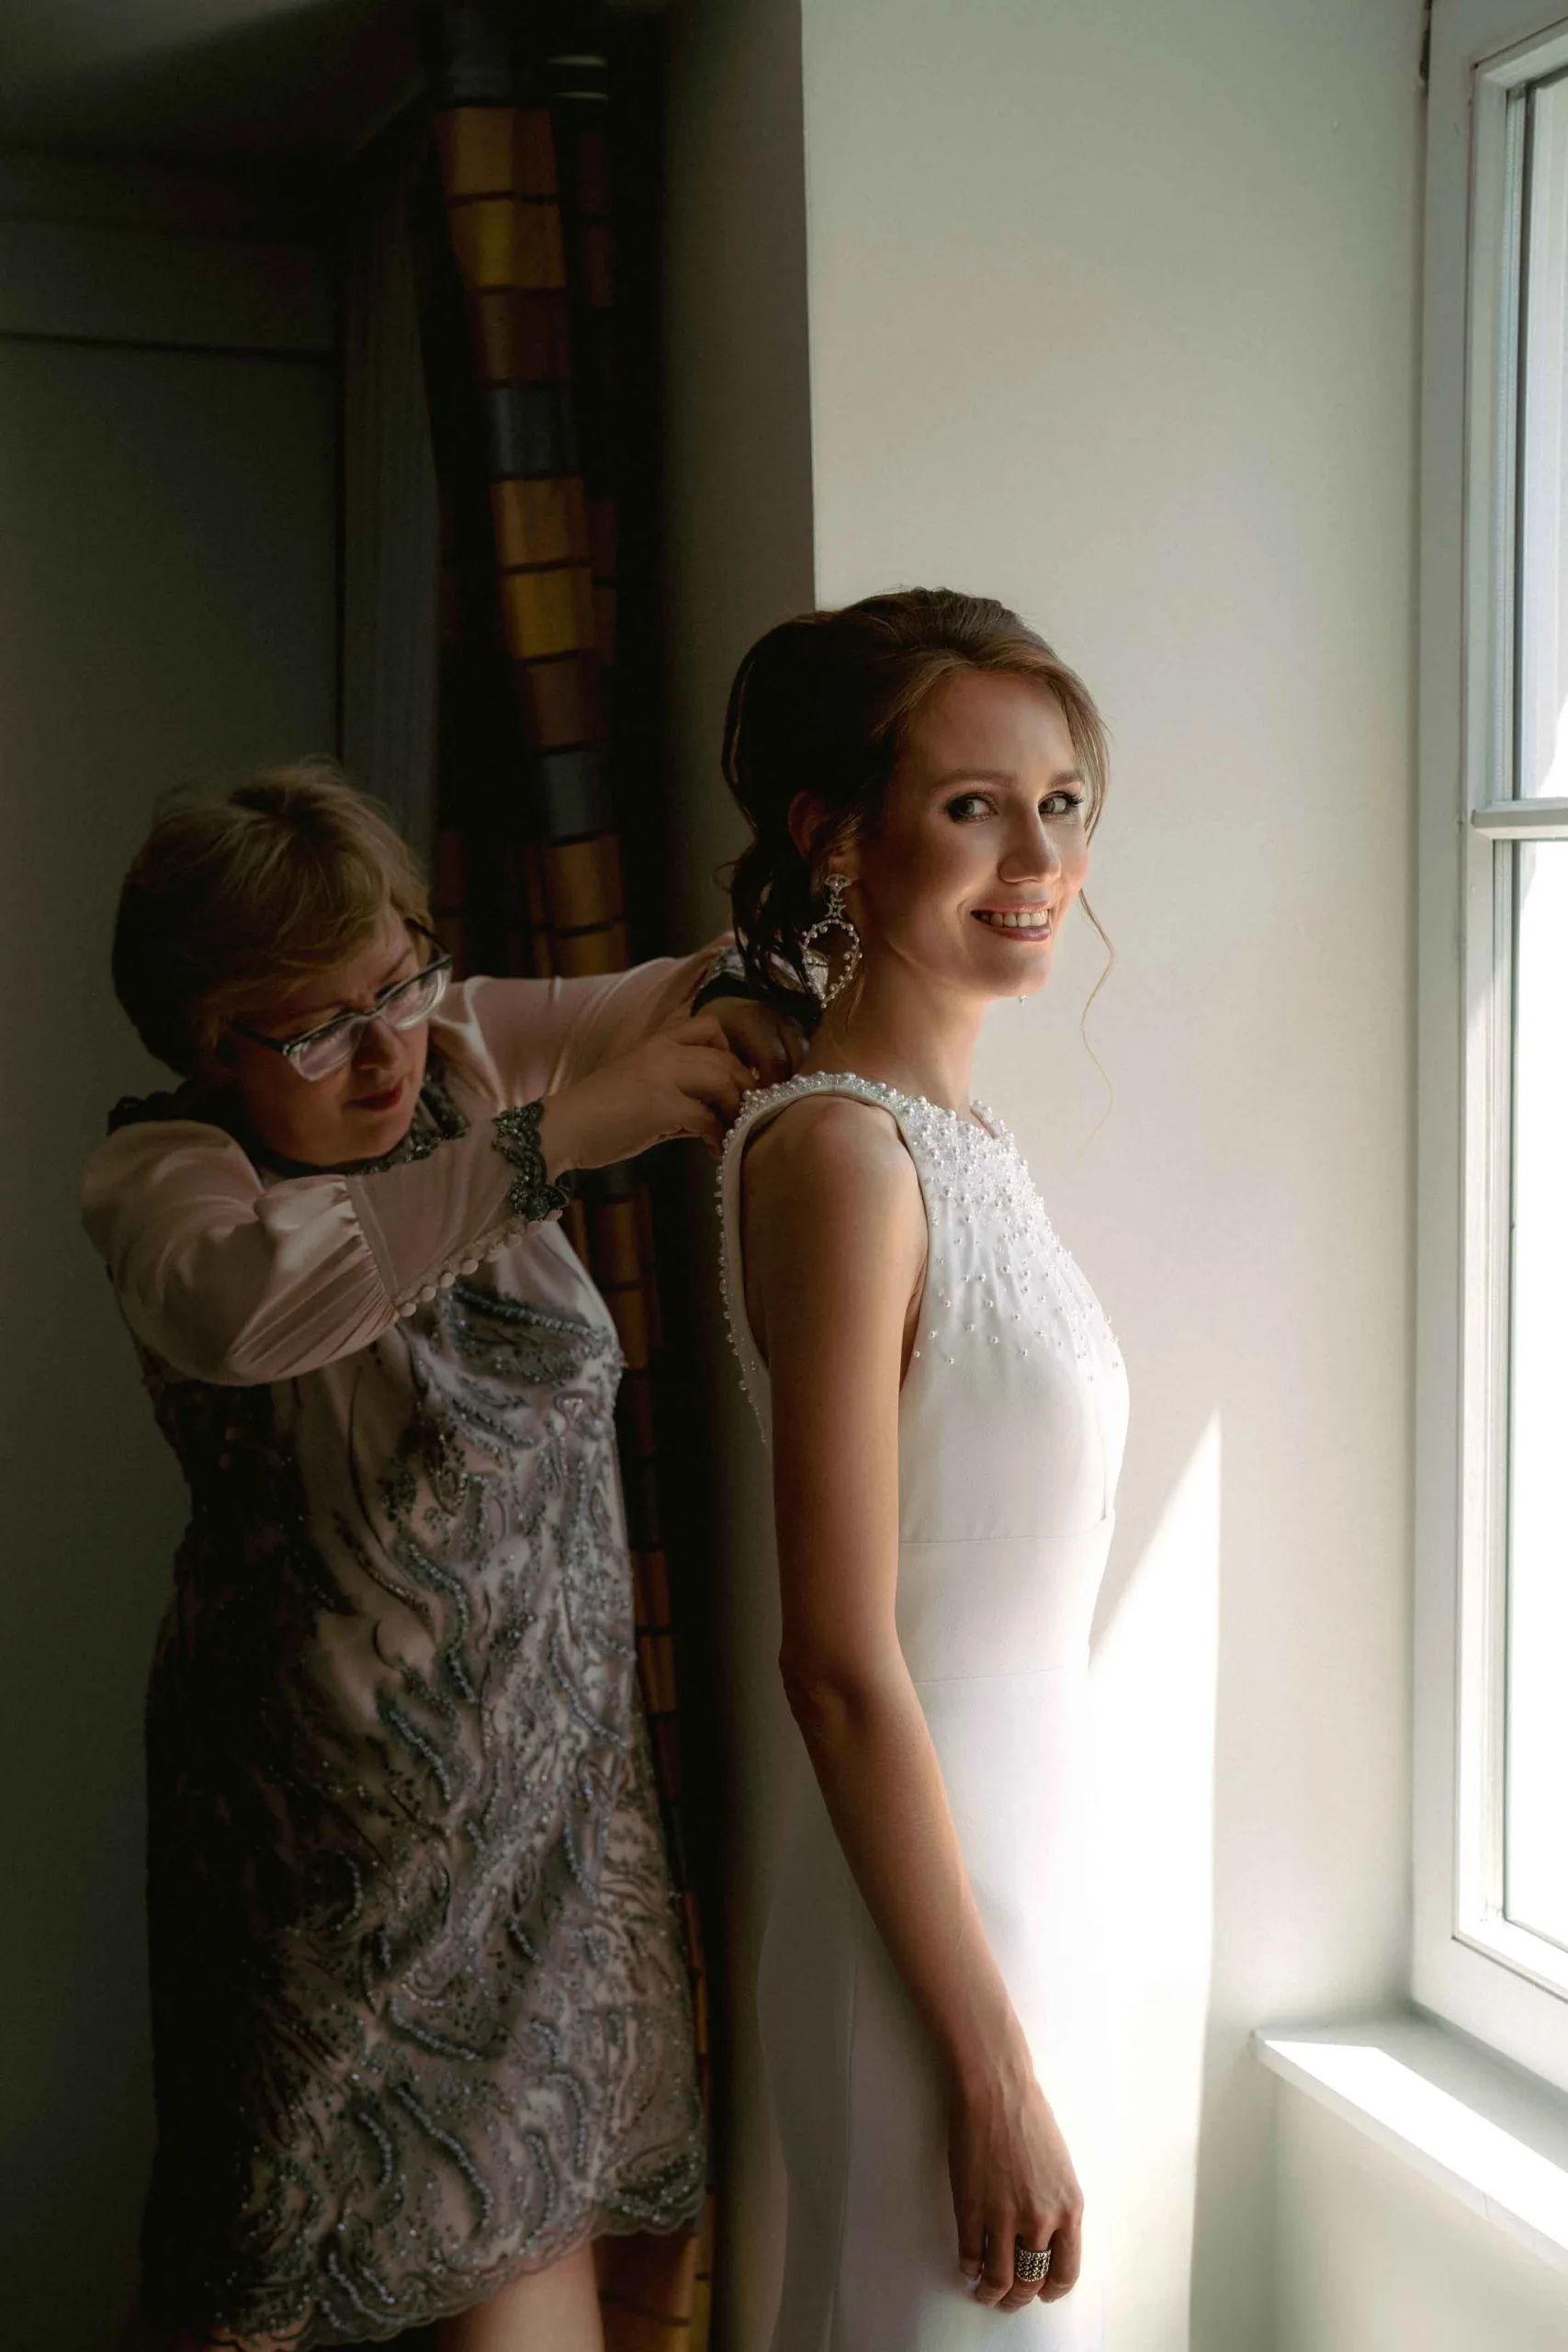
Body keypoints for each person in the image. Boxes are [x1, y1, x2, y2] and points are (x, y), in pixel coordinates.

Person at [84, 760, 802, 2352]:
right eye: (318, 1025)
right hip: (322, 1868)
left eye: (401, 980)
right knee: (259, 2286)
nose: (386, 1046)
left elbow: (695, 991)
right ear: (210, 1040)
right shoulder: (165, 1179)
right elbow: (256, 1305)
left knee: (540, 2247)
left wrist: (825, 902)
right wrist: (564, 1137)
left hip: (550, 1826)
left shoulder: (469, 1051)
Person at [716, 590, 1128, 2347]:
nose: (1036, 858)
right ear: (836, 836)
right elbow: (834, 1658)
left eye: (1059, 802)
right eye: (972, 806)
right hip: (923, 1963)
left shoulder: (965, 1144)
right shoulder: (841, 1160)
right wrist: (986, 2073)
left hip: (1023, 1901)